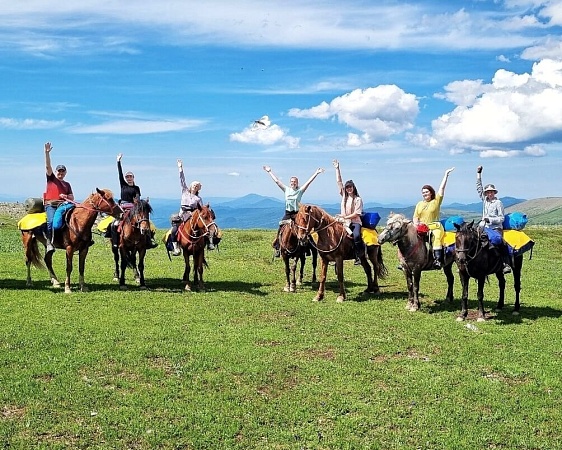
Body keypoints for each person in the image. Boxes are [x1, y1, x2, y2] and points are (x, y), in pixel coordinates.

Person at [263, 165, 325, 257]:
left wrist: (316, 173)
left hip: (297, 214)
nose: (293, 183)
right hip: (288, 213)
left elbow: (308, 182)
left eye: (295, 182)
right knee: (281, 227)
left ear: (297, 183)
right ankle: (278, 247)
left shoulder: (300, 191)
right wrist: (269, 171)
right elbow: (277, 181)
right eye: (292, 181)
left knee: (304, 229)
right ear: (290, 183)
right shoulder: (286, 189)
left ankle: (309, 247)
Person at [412, 167, 455, 269]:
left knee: (436, 238)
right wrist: (416, 224)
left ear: (431, 192)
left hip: (435, 226)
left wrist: (446, 175)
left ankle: (437, 260)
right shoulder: (419, 204)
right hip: (421, 227)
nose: (424, 194)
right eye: (423, 192)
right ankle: (407, 260)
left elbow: (442, 189)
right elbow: (415, 217)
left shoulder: (436, 201)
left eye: (426, 192)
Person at [111, 153, 157, 249]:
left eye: (130, 176)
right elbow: (120, 174)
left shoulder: (136, 188)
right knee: (114, 224)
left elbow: (137, 198)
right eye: (127, 177)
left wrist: (138, 202)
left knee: (147, 224)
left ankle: (148, 242)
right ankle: (115, 242)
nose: (129, 178)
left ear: (133, 177)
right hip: (123, 207)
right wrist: (118, 161)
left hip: (133, 208)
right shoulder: (123, 185)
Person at [170, 159, 214, 256]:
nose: (195, 186)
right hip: (183, 213)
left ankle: (210, 243)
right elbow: (182, 179)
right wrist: (180, 168)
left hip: (193, 214)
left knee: (203, 227)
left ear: (198, 188)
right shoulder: (184, 191)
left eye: (197, 186)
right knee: (174, 230)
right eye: (194, 185)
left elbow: (200, 208)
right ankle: (176, 247)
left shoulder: (198, 198)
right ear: (190, 186)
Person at [476, 165, 512, 274]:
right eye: (488, 192)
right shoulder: (485, 200)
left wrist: (490, 220)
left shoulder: (498, 203)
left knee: (499, 241)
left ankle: (505, 263)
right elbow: (479, 187)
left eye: (491, 192)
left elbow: (501, 218)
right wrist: (478, 174)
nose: (489, 193)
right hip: (484, 227)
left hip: (496, 228)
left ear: (494, 193)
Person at [43, 142, 74, 254]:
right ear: (55, 172)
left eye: (62, 171)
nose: (60, 173)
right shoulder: (51, 179)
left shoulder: (67, 184)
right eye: (59, 171)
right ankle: (49, 243)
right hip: (51, 205)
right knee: (51, 222)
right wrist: (46, 153)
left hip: (63, 205)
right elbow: (48, 166)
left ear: (65, 173)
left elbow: (71, 197)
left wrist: (66, 196)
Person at [333, 160, 364, 265]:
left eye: (350, 187)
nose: (348, 189)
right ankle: (334, 253)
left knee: (356, 236)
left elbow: (357, 214)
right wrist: (337, 168)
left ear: (353, 188)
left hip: (355, 222)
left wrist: (345, 217)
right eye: (347, 187)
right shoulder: (344, 197)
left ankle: (359, 255)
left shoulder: (358, 199)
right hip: (344, 221)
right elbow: (339, 182)